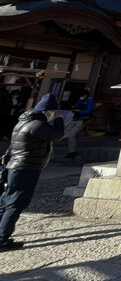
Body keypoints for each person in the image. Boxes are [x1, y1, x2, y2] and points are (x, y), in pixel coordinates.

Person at [0, 93, 64, 251]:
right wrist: (58, 118)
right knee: (16, 203)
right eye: (52, 111)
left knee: (5, 202)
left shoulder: (22, 123)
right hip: (25, 168)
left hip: (14, 166)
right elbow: (57, 135)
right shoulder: (37, 125)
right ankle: (2, 240)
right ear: (48, 111)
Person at [65, 90, 94, 159]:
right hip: (75, 118)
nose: (80, 97)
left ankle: (72, 151)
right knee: (67, 133)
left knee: (72, 135)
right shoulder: (80, 101)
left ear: (86, 95)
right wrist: (73, 108)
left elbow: (89, 111)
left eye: (82, 95)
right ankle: (71, 151)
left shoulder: (90, 101)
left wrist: (80, 111)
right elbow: (75, 106)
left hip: (82, 120)